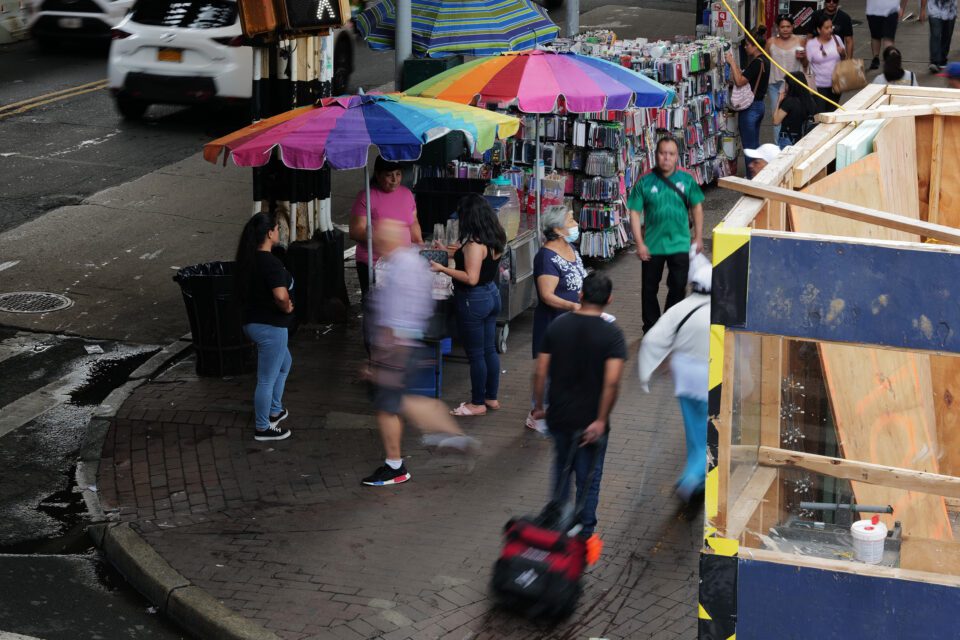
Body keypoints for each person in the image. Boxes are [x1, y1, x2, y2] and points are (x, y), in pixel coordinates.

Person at [363, 220, 477, 487]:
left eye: (379, 238)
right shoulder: (413, 263)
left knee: (387, 406)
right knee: (404, 399)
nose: (376, 243)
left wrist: (383, 352)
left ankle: (395, 466)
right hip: (409, 343)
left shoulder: (399, 268)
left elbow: (395, 313)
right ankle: (454, 437)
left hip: (396, 347)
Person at [532, 273, 626, 537]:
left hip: (560, 416)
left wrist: (539, 406)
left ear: (581, 295)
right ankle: (584, 533)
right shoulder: (612, 335)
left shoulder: (558, 326)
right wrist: (600, 420)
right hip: (591, 422)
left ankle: (557, 527)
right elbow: (612, 383)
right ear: (609, 299)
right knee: (589, 480)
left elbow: (540, 371)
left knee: (561, 472)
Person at [638, 251, 712, 503]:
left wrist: (647, 373)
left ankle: (692, 475)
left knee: (694, 431)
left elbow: (652, 339)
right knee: (708, 431)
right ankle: (692, 479)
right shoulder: (722, 312)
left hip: (683, 375)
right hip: (708, 378)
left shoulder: (680, 309)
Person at [431, 193, 504, 417]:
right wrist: (448, 251)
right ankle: (491, 397)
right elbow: (477, 261)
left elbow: (471, 277)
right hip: (491, 294)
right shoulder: (495, 235)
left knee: (476, 354)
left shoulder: (474, 243)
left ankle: (477, 403)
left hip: (474, 298)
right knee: (489, 349)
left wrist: (442, 268)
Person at [627, 136, 705, 334]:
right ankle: (651, 327)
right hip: (653, 244)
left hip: (680, 243)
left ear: (677, 156)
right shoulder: (644, 181)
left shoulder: (687, 179)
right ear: (656, 155)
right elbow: (634, 213)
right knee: (649, 289)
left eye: (671, 154)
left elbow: (697, 207)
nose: (666, 158)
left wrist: (698, 236)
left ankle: (671, 324)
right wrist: (639, 243)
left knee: (679, 285)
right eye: (662, 153)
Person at [526, 205, 587, 434]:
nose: (575, 224)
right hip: (555, 323)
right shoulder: (546, 257)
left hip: (576, 323)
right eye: (570, 220)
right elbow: (546, 295)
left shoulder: (571, 248)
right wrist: (572, 305)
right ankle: (537, 412)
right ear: (557, 229)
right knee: (549, 371)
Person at [235, 212, 294, 442]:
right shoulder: (270, 263)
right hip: (270, 327)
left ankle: (275, 409)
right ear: (270, 233)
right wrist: (287, 306)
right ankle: (263, 426)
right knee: (266, 379)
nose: (279, 232)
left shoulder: (248, 260)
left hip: (252, 323)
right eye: (277, 229)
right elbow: (280, 296)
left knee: (285, 363)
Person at [349, 156, 423, 298]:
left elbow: (413, 222)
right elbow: (355, 231)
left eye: (398, 174)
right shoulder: (366, 196)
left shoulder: (407, 194)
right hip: (374, 264)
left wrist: (420, 243)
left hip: (402, 263)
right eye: (389, 175)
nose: (395, 180)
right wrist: (382, 237)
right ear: (378, 175)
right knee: (376, 305)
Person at [726, 35, 770, 179]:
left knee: (749, 147)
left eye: (747, 45)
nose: (745, 47)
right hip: (760, 106)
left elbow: (739, 81)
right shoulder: (765, 61)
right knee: (755, 144)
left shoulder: (757, 63)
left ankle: (752, 178)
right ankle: (757, 175)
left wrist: (732, 62)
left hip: (750, 109)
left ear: (755, 46)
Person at [766, 15, 806, 143]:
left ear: (793, 26)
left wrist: (803, 57)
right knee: (777, 118)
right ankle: (779, 148)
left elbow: (806, 64)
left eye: (788, 26)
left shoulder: (800, 41)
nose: (785, 29)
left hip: (794, 86)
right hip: (775, 85)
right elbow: (765, 61)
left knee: (795, 116)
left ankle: (794, 142)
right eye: (782, 27)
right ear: (778, 28)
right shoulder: (771, 42)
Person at [803, 13, 846, 113]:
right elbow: (805, 65)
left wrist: (843, 54)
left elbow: (844, 59)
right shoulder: (811, 44)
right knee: (820, 115)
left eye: (831, 27)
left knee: (832, 114)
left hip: (836, 85)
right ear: (819, 29)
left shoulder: (837, 39)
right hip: (819, 86)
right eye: (826, 28)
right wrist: (803, 56)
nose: (830, 30)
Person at [774, 72, 819, 148]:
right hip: (803, 139)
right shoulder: (810, 101)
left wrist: (778, 102)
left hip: (787, 139)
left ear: (791, 85)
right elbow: (816, 119)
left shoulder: (789, 102)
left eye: (786, 84)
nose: (785, 87)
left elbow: (776, 121)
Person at [865, 0, 909, 71]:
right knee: (879, 37)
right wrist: (902, 7)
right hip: (874, 10)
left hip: (889, 10)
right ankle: (878, 58)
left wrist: (902, 7)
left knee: (885, 38)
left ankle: (885, 60)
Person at [921, 0, 957, 73]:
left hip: (951, 10)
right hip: (934, 9)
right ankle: (934, 62)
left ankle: (942, 59)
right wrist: (922, 10)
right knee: (935, 35)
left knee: (947, 35)